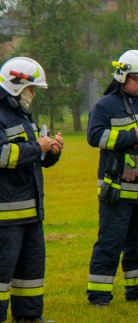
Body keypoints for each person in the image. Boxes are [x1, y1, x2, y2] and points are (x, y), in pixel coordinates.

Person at [86, 50, 138, 306]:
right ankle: (99, 296)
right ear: (123, 77)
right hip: (116, 191)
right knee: (110, 242)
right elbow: (94, 137)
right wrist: (132, 137)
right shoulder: (105, 105)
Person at [0, 57, 63, 323]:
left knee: (31, 270)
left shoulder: (22, 113)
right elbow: (3, 155)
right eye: (31, 88)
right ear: (17, 85)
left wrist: (52, 151)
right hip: (5, 213)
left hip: (31, 208)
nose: (34, 94)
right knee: (2, 271)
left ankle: (28, 317)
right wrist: (38, 147)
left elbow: (34, 158)